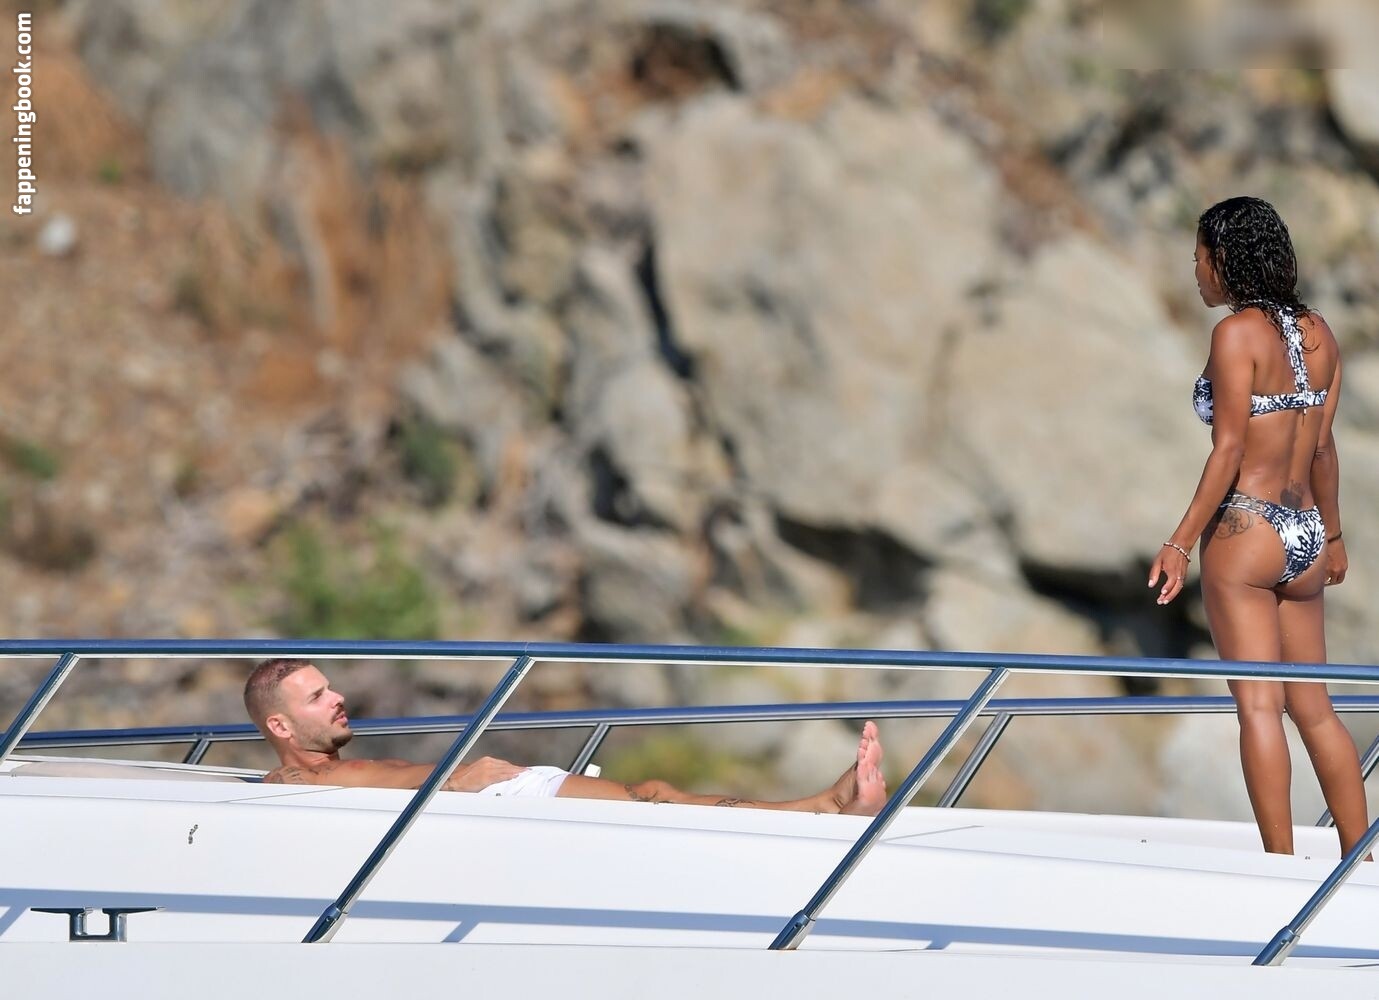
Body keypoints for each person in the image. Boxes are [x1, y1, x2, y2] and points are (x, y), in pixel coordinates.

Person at [1149, 195, 1369, 856]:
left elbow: (1229, 451)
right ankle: (1361, 860)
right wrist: (1333, 538)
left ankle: (1279, 871)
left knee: (1258, 707)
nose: (1194, 270)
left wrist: (1178, 542)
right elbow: (1322, 448)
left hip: (1246, 532)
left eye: (1198, 256)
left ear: (1225, 258)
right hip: (1305, 532)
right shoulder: (1320, 333)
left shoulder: (1235, 335)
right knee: (1316, 710)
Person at [243, 658, 888, 815]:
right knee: (653, 795)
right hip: (495, 795)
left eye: (330, 687)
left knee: (652, 791)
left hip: (496, 790)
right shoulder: (303, 778)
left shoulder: (323, 771)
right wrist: (455, 781)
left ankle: (820, 806)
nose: (338, 698)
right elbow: (377, 784)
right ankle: (820, 807)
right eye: (317, 697)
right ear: (280, 725)